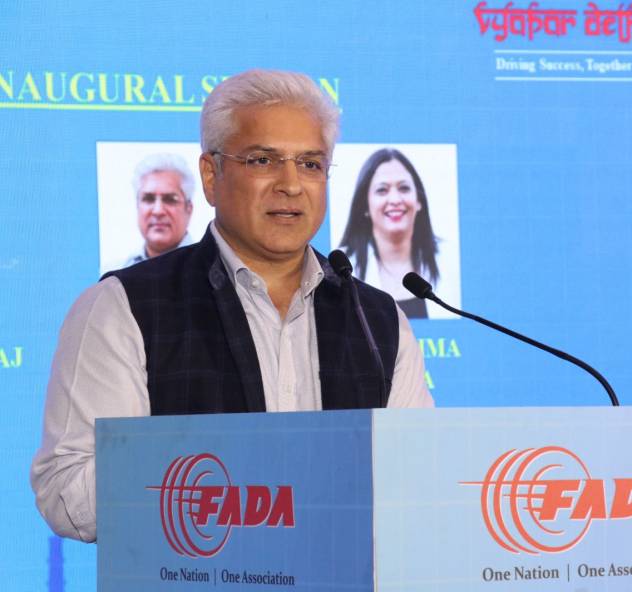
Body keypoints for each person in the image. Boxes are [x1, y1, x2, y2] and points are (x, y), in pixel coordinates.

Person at [30, 70, 433, 543]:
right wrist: (219, 470)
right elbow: (67, 495)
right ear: (211, 175)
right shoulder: (125, 306)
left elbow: (419, 482)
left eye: (310, 164)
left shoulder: (377, 320)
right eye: (263, 160)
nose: (291, 184)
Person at [340, 148, 439, 319]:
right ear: (365, 206)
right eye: (382, 190)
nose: (395, 200)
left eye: (404, 188)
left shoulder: (449, 258)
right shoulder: (342, 269)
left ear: (419, 201)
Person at [124, 153, 195, 266]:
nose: (158, 211)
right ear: (137, 206)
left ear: (189, 209)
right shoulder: (114, 272)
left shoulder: (212, 269)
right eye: (148, 199)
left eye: (170, 199)